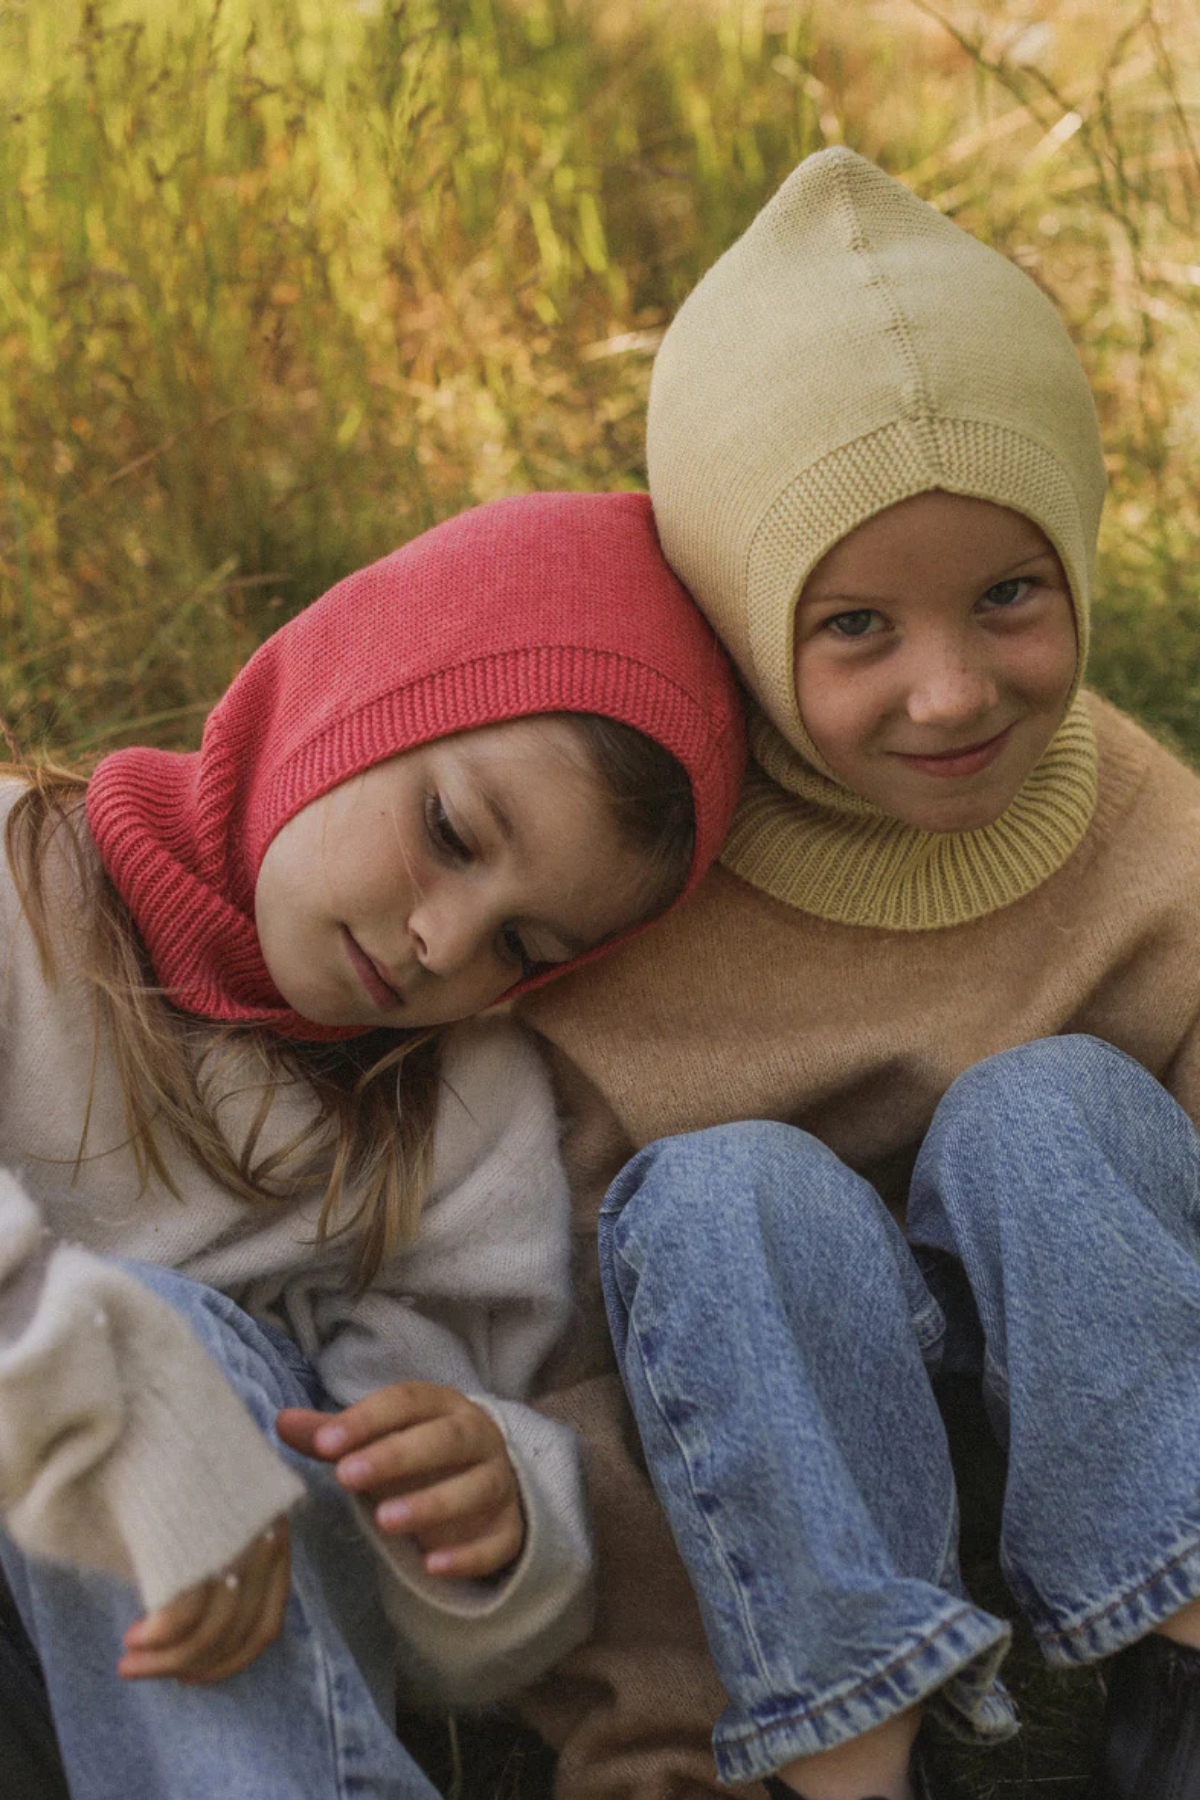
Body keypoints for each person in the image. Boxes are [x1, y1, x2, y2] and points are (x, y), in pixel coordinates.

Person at [515, 151, 1200, 1800]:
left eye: (1009, 596)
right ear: (744, 619)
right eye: (857, 628)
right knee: (718, 1197)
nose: (952, 689)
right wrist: (653, 1724)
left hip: (1125, 1439)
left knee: (1055, 1114)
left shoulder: (1148, 833)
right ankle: (847, 1764)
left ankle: (1180, 1676)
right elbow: (590, 1385)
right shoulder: (636, 898)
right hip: (793, 1518)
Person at [0, 488, 745, 1800]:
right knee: (149, 1342)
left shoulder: (468, 1125)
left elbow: (417, 1614)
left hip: (176, 1698)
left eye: (524, 946)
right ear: (352, 691)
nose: (444, 943)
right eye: (449, 834)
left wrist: (489, 1510)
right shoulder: (15, 885)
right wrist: (117, 1390)